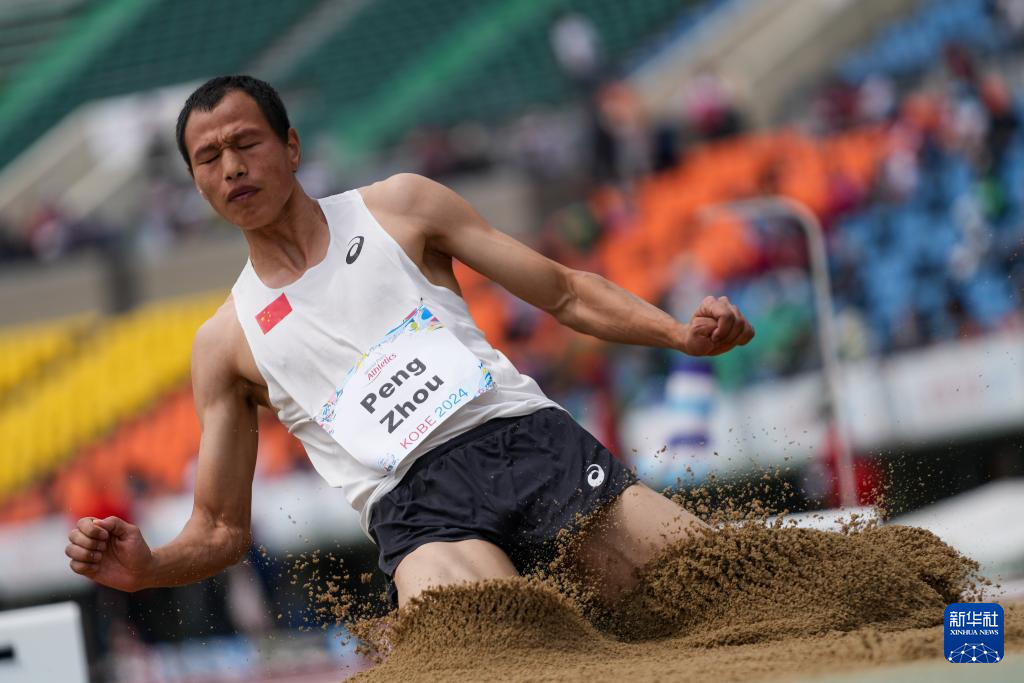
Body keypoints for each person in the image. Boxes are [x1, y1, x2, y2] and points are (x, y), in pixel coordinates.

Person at [65, 75, 754, 608]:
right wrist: (150, 567)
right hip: (419, 511)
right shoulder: (224, 343)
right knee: (482, 645)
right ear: (196, 183)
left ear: (292, 147)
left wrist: (676, 334)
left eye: (246, 144)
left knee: (723, 588)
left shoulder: (400, 207)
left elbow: (565, 292)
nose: (231, 168)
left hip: (525, 442)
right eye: (208, 158)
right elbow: (220, 527)